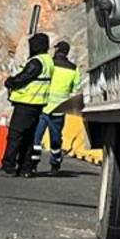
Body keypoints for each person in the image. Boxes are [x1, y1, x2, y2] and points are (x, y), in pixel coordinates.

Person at [0, 33, 53, 178]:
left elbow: (25, 77)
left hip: (26, 104)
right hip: (37, 105)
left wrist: (11, 82)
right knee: (28, 137)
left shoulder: (37, 61)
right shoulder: (48, 61)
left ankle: (8, 167)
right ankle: (25, 168)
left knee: (15, 136)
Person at [28, 40, 82, 175]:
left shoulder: (50, 64)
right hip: (59, 109)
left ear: (57, 50)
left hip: (43, 106)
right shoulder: (73, 69)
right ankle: (55, 164)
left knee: (36, 138)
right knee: (56, 139)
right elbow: (76, 89)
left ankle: (32, 165)